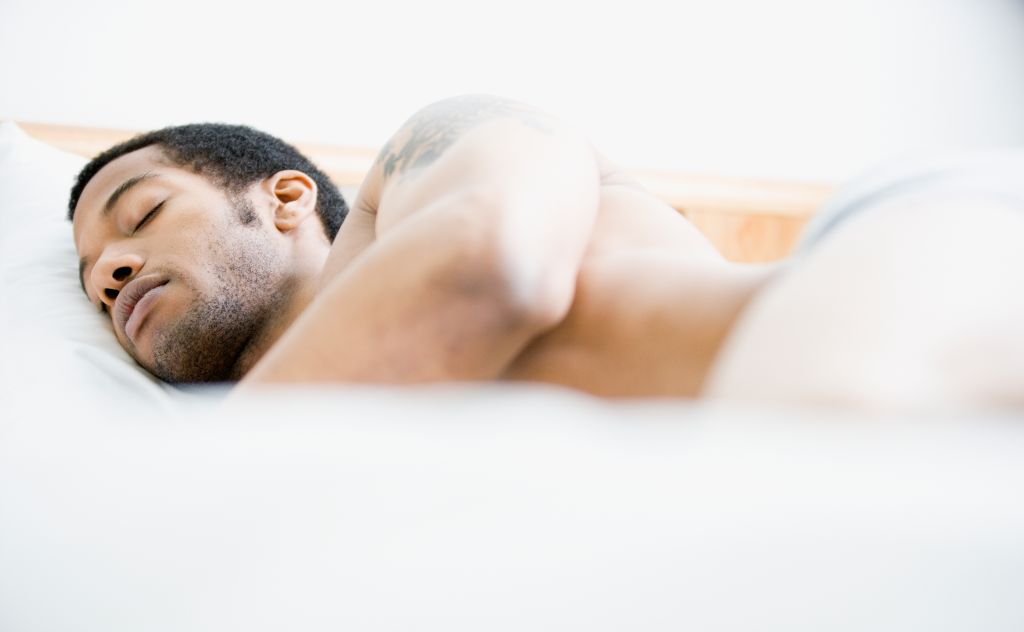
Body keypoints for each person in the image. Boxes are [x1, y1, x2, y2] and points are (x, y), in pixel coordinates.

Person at [69, 94, 1024, 408]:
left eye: (141, 210)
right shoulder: (282, 414)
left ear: (281, 200)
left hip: (910, 262)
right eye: (89, 279)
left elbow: (489, 273)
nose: (109, 271)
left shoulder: (420, 167)